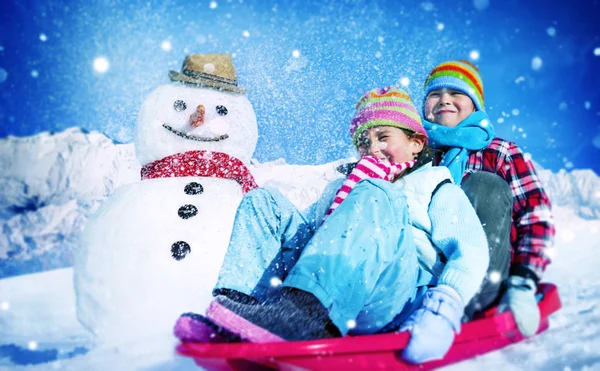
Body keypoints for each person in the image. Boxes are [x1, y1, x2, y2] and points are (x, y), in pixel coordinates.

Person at [174, 87, 489, 364]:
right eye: (364, 142)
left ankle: (305, 315)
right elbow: (311, 240)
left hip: (393, 297)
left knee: (376, 192)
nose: (372, 149)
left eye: (384, 137)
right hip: (334, 284)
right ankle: (240, 307)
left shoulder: (434, 184)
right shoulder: (341, 186)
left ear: (417, 142)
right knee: (265, 202)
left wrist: (442, 310)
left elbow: (471, 249)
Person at [421, 60, 555, 337]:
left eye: (457, 93)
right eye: (435, 94)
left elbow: (535, 215)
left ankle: (458, 308)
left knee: (484, 185)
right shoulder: (416, 155)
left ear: (475, 105)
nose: (444, 99)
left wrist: (522, 281)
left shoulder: (500, 152)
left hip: (483, 279)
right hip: (424, 278)